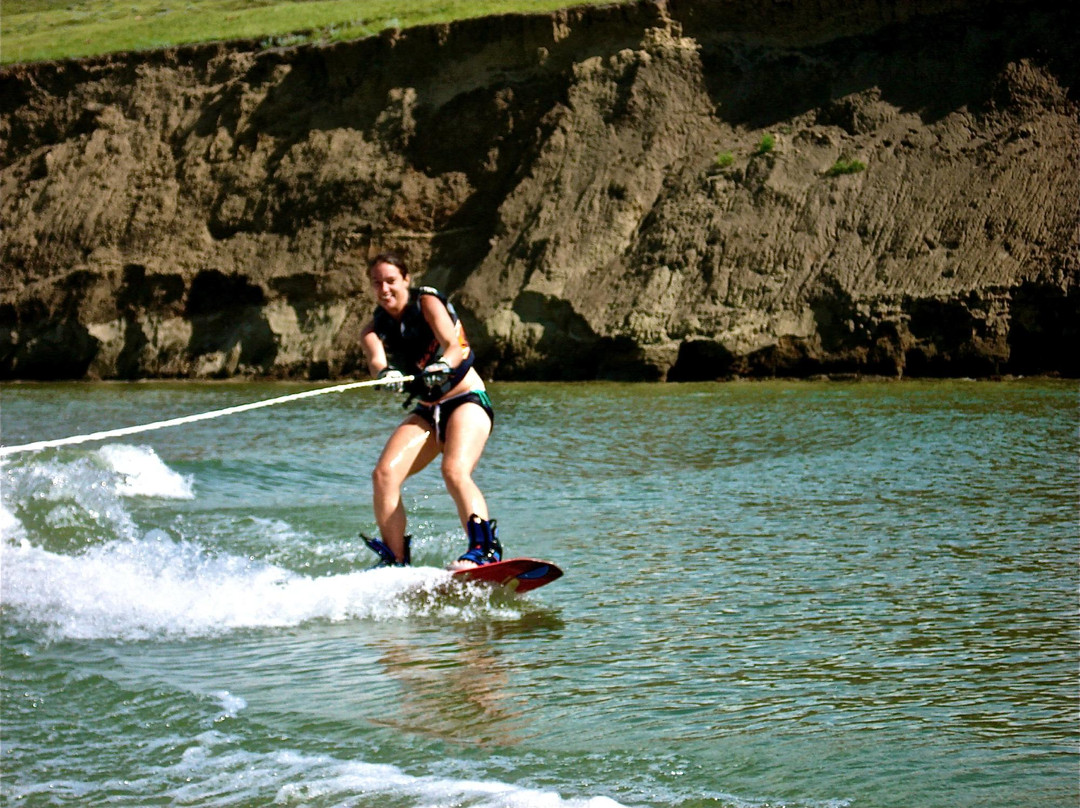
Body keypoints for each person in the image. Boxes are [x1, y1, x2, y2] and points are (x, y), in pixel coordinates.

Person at [359, 251, 502, 570]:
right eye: (377, 283)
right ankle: (395, 562)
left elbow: (452, 346)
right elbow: (376, 361)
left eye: (391, 281)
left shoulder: (427, 302)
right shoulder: (373, 329)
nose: (384, 289)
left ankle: (484, 551)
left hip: (466, 401)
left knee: (453, 470)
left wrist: (442, 364)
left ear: (406, 280)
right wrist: (386, 374)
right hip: (428, 412)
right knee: (383, 475)